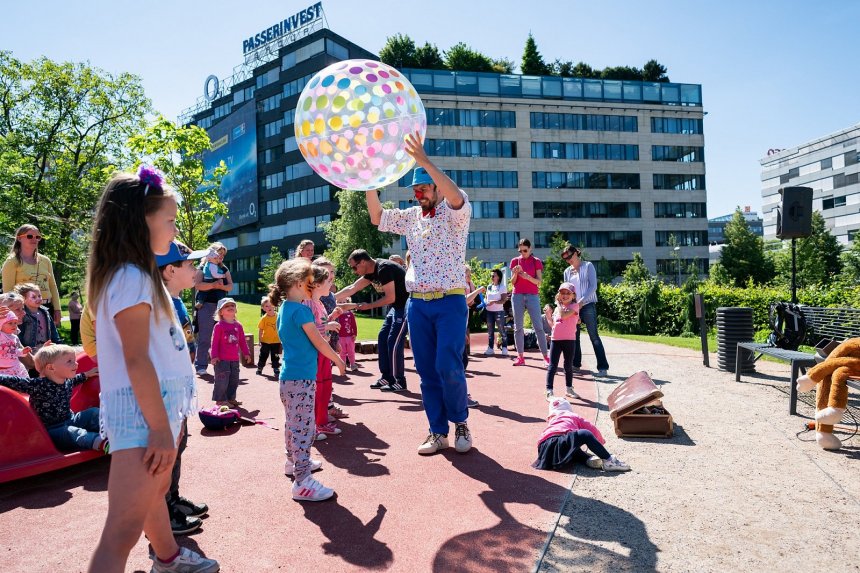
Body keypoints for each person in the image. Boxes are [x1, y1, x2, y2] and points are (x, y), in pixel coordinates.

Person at [86, 167, 219, 573]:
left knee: (154, 492)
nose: (175, 229)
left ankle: (168, 558)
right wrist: (160, 428)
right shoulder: (129, 277)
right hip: (146, 412)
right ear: (141, 219)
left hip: (157, 406)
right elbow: (136, 358)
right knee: (122, 528)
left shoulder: (136, 274)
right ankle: (167, 559)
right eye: (171, 220)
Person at [365, 131, 473, 455]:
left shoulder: (456, 213)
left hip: (451, 300)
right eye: (415, 189)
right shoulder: (411, 217)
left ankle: (461, 423)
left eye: (424, 188)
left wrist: (424, 160)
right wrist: (369, 180)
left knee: (448, 365)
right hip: (418, 305)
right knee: (426, 371)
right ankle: (437, 431)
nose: (419, 194)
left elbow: (456, 197)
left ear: (436, 187)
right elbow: (376, 216)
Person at [269, 258, 346, 502]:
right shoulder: (302, 311)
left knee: (293, 424)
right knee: (303, 428)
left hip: (290, 377)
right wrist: (338, 360)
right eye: (311, 282)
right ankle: (302, 481)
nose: (315, 287)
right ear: (300, 284)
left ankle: (292, 463)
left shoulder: (285, 308)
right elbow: (319, 341)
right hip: (301, 379)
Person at [156, 240, 212, 536]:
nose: (197, 269)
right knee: (167, 452)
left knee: (179, 446)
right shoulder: (159, 305)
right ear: (169, 271)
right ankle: (163, 511)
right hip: (164, 392)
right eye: (190, 264)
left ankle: (172, 498)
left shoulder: (176, 301)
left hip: (179, 390)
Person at [0, 344, 104, 451]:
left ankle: (113, 429)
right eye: (70, 361)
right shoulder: (38, 385)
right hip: (51, 430)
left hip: (71, 419)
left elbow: (76, 379)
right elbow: (13, 381)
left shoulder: (66, 380)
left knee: (93, 413)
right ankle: (101, 443)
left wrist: (87, 374)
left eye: (74, 360)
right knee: (73, 432)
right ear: (51, 367)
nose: (76, 364)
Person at [335, 249, 409, 392]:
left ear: (363, 262)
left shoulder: (384, 269)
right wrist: (329, 297)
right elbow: (352, 288)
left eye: (354, 267)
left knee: (393, 342)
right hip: (395, 307)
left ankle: (400, 380)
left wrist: (368, 306)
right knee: (382, 338)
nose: (354, 271)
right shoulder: (371, 272)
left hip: (405, 307)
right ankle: (386, 376)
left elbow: (390, 298)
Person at [533, 397, 630, 472]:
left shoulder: (552, 420)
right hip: (559, 441)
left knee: (572, 447)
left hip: (543, 447)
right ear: (568, 408)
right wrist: (600, 443)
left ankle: (587, 459)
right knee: (584, 434)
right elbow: (591, 429)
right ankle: (609, 461)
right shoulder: (572, 416)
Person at [303, 261, 344, 441]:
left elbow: (321, 324)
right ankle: (314, 426)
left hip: (323, 351)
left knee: (325, 386)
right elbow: (310, 330)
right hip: (315, 352)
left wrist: (331, 318)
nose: (331, 284)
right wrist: (328, 324)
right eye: (328, 281)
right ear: (317, 284)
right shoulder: (308, 303)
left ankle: (321, 422)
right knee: (317, 388)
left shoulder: (318, 302)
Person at [562, 244, 610, 377]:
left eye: (570, 257)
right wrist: (570, 306)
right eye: (566, 259)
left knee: (593, 336)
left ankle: (603, 367)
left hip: (587, 305)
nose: (568, 260)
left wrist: (581, 301)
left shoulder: (588, 266)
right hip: (574, 307)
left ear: (576, 253)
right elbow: (567, 290)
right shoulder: (567, 272)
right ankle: (576, 366)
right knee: (574, 337)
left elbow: (593, 286)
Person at [2, 224, 62, 324]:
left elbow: (52, 286)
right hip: (24, 310)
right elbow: (8, 293)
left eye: (37, 237)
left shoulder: (45, 260)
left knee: (49, 339)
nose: (34, 239)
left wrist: (57, 308)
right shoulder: (11, 262)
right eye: (29, 236)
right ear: (19, 238)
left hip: (47, 308)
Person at [193, 243, 232, 376]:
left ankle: (222, 364)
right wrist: (214, 284)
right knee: (205, 336)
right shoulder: (202, 268)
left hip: (221, 305)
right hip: (206, 306)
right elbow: (198, 285)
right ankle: (200, 365)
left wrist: (221, 287)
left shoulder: (224, 269)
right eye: (219, 253)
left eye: (223, 254)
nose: (221, 256)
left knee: (222, 336)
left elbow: (230, 286)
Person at [510, 238, 549, 367]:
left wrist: (527, 277)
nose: (522, 253)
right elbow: (513, 282)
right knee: (518, 327)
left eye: (525, 250)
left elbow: (539, 281)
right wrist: (515, 274)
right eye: (520, 251)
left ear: (530, 249)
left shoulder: (536, 261)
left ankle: (545, 357)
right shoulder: (515, 261)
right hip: (517, 296)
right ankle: (520, 357)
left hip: (532, 296)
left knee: (538, 327)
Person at [210, 297, 252, 407]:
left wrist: (246, 353)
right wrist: (214, 356)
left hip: (234, 359)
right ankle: (220, 400)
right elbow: (214, 343)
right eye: (226, 306)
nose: (230, 307)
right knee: (222, 381)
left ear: (236, 310)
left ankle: (230, 398)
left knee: (234, 380)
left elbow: (242, 341)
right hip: (222, 360)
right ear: (221, 312)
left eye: (232, 305)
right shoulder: (219, 326)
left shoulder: (238, 325)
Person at [544, 283, 580, 400]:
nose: (565, 295)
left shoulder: (575, 306)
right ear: (559, 295)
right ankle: (549, 391)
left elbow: (564, 315)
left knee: (568, 365)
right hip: (556, 340)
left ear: (573, 295)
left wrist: (558, 303)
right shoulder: (557, 309)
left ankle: (569, 389)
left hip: (569, 340)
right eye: (562, 293)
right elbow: (554, 324)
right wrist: (548, 315)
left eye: (568, 293)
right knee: (552, 366)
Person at [15, 282, 62, 352]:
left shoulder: (45, 312)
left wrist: (58, 343)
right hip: (30, 350)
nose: (38, 299)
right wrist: (22, 350)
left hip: (46, 348)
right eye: (34, 297)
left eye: (39, 296)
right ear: (23, 299)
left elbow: (53, 330)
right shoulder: (22, 315)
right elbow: (19, 334)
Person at [484, 269, 509, 356]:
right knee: (490, 331)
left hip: (499, 311)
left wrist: (494, 302)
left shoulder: (502, 287)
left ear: (498, 277)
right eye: (491, 275)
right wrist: (484, 302)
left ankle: (505, 348)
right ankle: (490, 348)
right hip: (489, 312)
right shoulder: (489, 286)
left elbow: (503, 300)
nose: (492, 277)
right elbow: (486, 297)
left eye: (493, 275)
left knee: (502, 330)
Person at [0, 309, 30, 377]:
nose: (14, 325)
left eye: (15, 323)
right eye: (10, 323)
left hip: (15, 368)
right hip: (2, 370)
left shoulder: (14, 337)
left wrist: (22, 352)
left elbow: (14, 351)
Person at [257, 296, 281, 377]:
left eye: (271, 305)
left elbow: (282, 327)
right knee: (263, 355)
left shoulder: (278, 316)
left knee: (276, 356)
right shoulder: (264, 319)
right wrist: (260, 340)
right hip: (265, 341)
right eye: (266, 306)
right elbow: (260, 330)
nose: (269, 307)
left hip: (276, 341)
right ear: (263, 308)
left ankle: (276, 368)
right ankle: (260, 367)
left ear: (274, 305)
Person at [336, 298, 358, 371]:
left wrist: (354, 334)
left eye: (344, 302)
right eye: (340, 302)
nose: (342, 304)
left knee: (351, 351)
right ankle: (343, 365)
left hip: (349, 337)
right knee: (342, 352)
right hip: (340, 337)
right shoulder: (336, 315)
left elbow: (354, 325)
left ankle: (353, 364)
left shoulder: (350, 314)